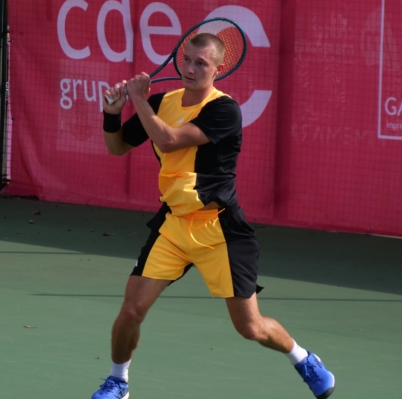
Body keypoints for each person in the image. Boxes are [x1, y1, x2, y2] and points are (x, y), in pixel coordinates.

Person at [92, 32, 335, 399]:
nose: (190, 68)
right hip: (174, 224)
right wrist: (112, 114)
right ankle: (118, 382)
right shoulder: (161, 102)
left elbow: (169, 139)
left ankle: (302, 358)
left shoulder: (224, 110)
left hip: (219, 229)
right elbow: (119, 147)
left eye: (201, 63)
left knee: (250, 327)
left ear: (217, 70)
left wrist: (138, 99)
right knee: (131, 310)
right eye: (187, 60)